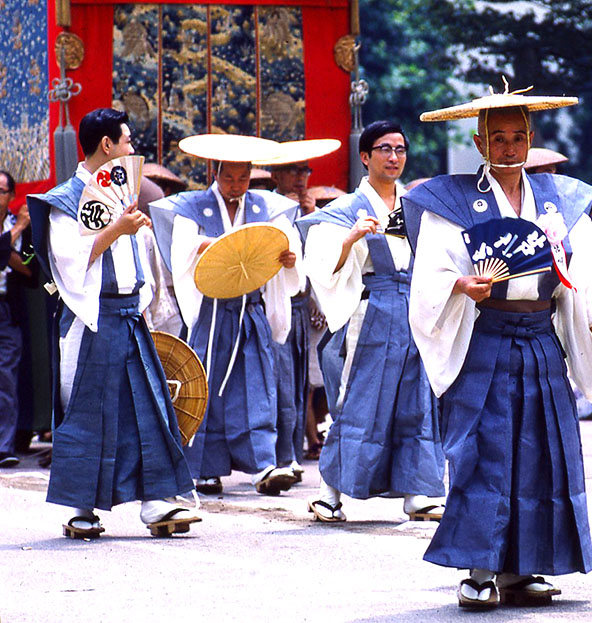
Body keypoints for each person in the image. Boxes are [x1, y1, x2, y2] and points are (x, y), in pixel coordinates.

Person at [402, 87, 592, 608]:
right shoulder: (450, 200)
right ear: (479, 141)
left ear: (531, 139)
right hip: (485, 336)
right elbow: (432, 274)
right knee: (484, 453)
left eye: (518, 138)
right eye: (498, 139)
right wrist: (461, 286)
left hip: (542, 338)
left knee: (542, 453)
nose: (508, 148)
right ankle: (480, 568)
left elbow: (587, 271)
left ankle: (525, 568)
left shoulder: (558, 200)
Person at [26, 108, 199, 538]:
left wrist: (142, 301)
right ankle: (80, 508)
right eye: (127, 141)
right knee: (89, 410)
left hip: (129, 314)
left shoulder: (121, 193)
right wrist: (117, 230)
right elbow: (67, 262)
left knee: (149, 406)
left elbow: (133, 257)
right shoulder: (68, 198)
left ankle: (157, 502)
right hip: (92, 318)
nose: (130, 149)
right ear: (107, 145)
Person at [297, 121, 445, 523]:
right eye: (384, 149)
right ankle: (329, 493)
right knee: (356, 401)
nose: (394, 157)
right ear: (365, 157)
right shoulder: (345, 209)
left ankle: (418, 491)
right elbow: (321, 266)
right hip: (370, 309)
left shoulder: (418, 207)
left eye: (400, 149)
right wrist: (349, 239)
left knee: (417, 400)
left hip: (413, 309)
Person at [149, 135, 302, 496]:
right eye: (229, 177)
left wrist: (289, 259)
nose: (236, 185)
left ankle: (263, 465)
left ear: (251, 176)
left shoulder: (268, 208)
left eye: (243, 178)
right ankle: (204, 468)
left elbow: (284, 245)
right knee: (206, 387)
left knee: (258, 386)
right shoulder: (193, 206)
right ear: (216, 174)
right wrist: (205, 244)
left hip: (251, 312)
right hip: (211, 312)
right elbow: (182, 251)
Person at [257, 140, 340, 482]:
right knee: (278, 381)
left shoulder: (313, 210)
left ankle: (290, 452)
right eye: (292, 170)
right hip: (274, 304)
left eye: (305, 170)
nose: (300, 177)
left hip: (303, 307)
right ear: (275, 174)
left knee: (300, 381)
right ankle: (274, 454)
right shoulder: (264, 207)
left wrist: (308, 217)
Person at [0, 170, 30, 468]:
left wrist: (6, 246)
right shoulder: (18, 226)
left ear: (10, 196)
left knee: (6, 377)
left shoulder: (20, 228)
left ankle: (4, 445)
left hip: (8, 308)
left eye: (1, 191)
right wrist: (16, 230)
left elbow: (32, 267)